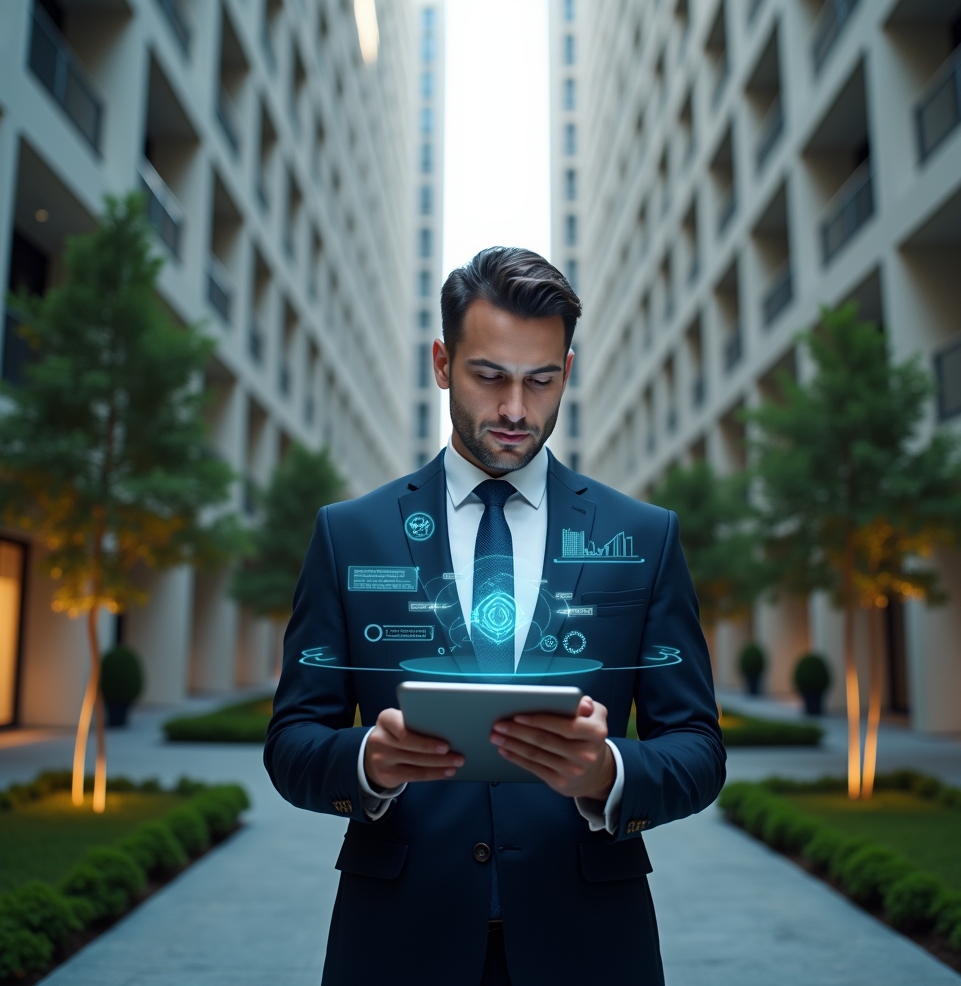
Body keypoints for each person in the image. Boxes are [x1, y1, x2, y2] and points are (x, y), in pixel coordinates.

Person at [265, 247, 726, 986]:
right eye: (490, 377)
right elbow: (292, 740)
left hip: (590, 944)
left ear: (567, 373)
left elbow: (699, 749)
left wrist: (608, 769)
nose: (516, 409)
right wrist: (368, 765)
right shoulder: (348, 535)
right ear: (443, 363)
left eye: (541, 381)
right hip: (396, 943)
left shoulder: (645, 537)